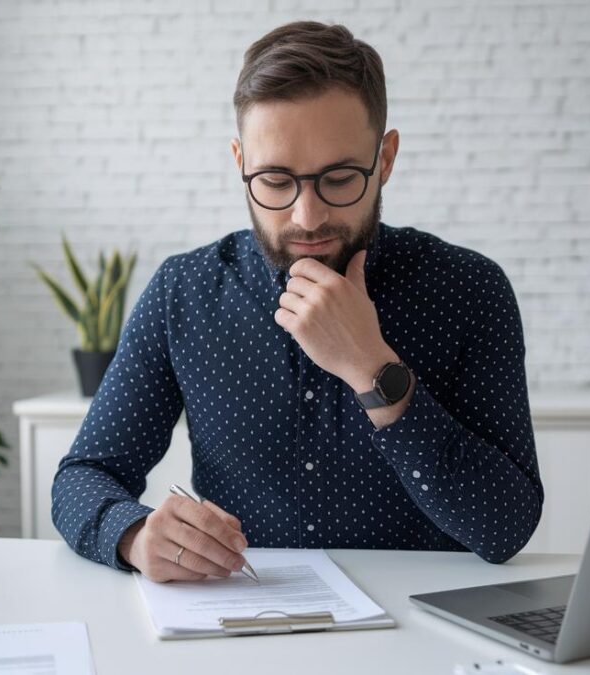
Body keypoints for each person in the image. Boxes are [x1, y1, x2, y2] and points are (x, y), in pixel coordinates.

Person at [51, 21, 543, 583]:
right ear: (240, 161)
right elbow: (84, 476)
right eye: (276, 181)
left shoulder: (469, 291)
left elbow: (506, 528)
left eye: (338, 178)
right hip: (243, 632)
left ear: (385, 159)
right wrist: (135, 535)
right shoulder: (181, 293)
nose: (307, 217)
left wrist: (372, 369)